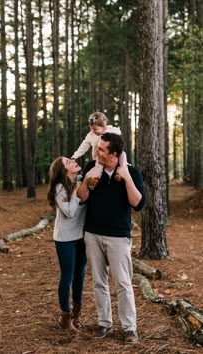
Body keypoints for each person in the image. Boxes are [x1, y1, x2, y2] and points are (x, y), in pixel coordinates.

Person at [77, 132, 145, 343]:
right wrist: (88, 177)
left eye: (101, 149)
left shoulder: (131, 172)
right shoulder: (91, 167)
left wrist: (125, 177)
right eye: (97, 148)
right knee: (99, 282)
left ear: (114, 154)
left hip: (118, 237)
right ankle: (104, 323)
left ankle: (129, 328)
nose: (96, 151)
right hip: (93, 234)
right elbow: (81, 197)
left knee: (123, 283)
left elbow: (138, 204)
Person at [47, 157, 87, 335]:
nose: (73, 160)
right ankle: (66, 318)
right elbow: (70, 212)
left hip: (81, 236)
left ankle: (77, 314)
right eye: (68, 161)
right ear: (64, 170)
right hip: (65, 239)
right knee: (67, 276)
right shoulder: (59, 188)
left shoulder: (82, 181)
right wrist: (77, 189)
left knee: (80, 274)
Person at [71, 111, 128, 190]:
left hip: (111, 157)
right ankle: (94, 181)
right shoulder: (91, 135)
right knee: (98, 168)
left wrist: (106, 131)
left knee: (123, 154)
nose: (93, 131)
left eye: (95, 129)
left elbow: (118, 131)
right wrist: (75, 156)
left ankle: (122, 170)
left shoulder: (110, 130)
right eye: (91, 129)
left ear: (104, 126)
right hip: (99, 157)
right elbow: (84, 146)